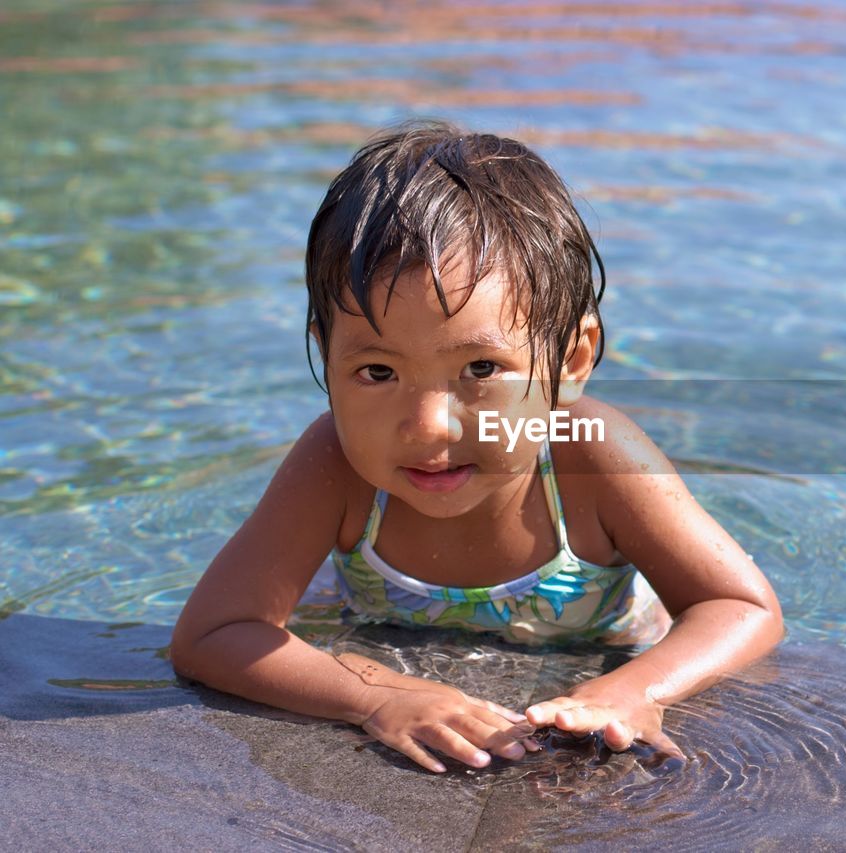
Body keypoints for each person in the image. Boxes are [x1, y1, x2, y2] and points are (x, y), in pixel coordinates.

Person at [169, 119, 784, 773]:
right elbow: (214, 633)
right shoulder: (335, 463)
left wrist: (633, 689)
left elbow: (741, 607)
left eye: (482, 369)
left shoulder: (590, 453)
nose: (430, 425)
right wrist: (368, 695)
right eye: (378, 372)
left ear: (572, 358)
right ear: (327, 354)